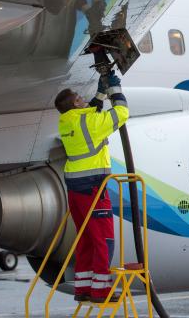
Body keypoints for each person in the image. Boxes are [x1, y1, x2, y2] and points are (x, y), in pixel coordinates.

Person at [54, 71, 128, 303]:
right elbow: (122, 112)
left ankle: (83, 288)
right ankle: (101, 290)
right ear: (75, 104)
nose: (83, 98)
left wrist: (99, 92)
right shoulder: (90, 122)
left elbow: (89, 112)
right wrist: (114, 89)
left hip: (75, 189)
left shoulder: (66, 121)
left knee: (86, 238)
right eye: (79, 98)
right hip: (94, 187)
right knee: (103, 240)